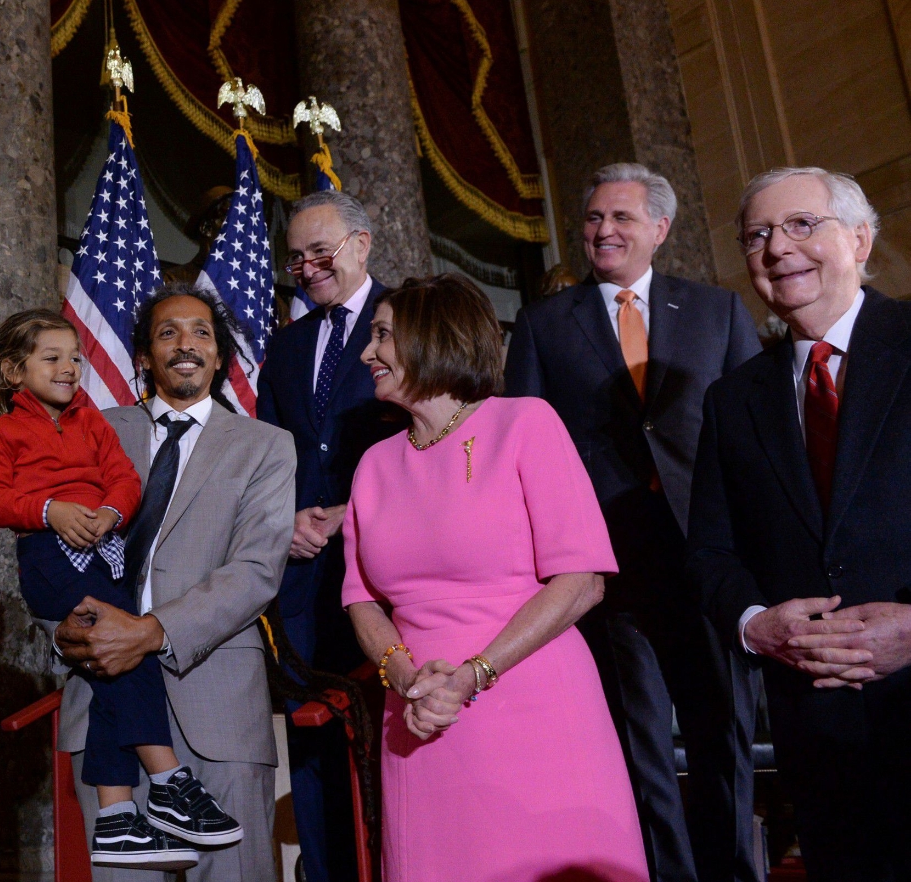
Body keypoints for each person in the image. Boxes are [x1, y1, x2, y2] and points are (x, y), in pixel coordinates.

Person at [342, 274, 648, 882]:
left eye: (381, 335)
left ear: (432, 335)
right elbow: (361, 600)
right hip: (422, 720)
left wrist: (474, 674)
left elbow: (582, 581)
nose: (366, 352)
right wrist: (405, 677)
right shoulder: (374, 463)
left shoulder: (526, 423)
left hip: (534, 707)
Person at [505, 163, 763, 882]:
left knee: (725, 740)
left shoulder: (716, 311)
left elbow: (752, 435)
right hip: (611, 567)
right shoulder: (543, 323)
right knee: (640, 747)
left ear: (660, 228)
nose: (603, 231)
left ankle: (734, 872)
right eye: (592, 219)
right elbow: (525, 448)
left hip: (709, 559)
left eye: (620, 218)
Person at [686, 167, 911, 880]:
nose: (777, 247)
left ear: (861, 238)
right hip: (818, 733)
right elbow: (711, 553)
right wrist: (757, 624)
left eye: (801, 225)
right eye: (758, 235)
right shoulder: (732, 400)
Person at [0, 309, 238, 870]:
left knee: (113, 665)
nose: (70, 368)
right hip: (47, 558)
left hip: (101, 552)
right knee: (122, 649)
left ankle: (117, 817)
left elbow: (123, 476)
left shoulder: (90, 417)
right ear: (13, 370)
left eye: (75, 357)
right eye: (53, 358)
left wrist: (111, 511)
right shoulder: (1, 433)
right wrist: (49, 510)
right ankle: (166, 776)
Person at [55, 282, 296, 882]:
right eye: (168, 333)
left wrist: (152, 631)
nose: (185, 344)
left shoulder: (266, 447)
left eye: (201, 334)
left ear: (219, 357)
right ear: (143, 357)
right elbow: (52, 547)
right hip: (105, 699)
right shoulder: (92, 433)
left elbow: (257, 569)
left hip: (219, 710)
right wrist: (60, 628)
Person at [253, 189, 388, 882]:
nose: (306, 267)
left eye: (321, 252)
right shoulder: (285, 347)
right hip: (304, 578)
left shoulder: (411, 323)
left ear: (363, 244)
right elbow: (270, 454)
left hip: (390, 573)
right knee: (312, 746)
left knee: (390, 744)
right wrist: (285, 522)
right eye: (296, 257)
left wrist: (354, 511)